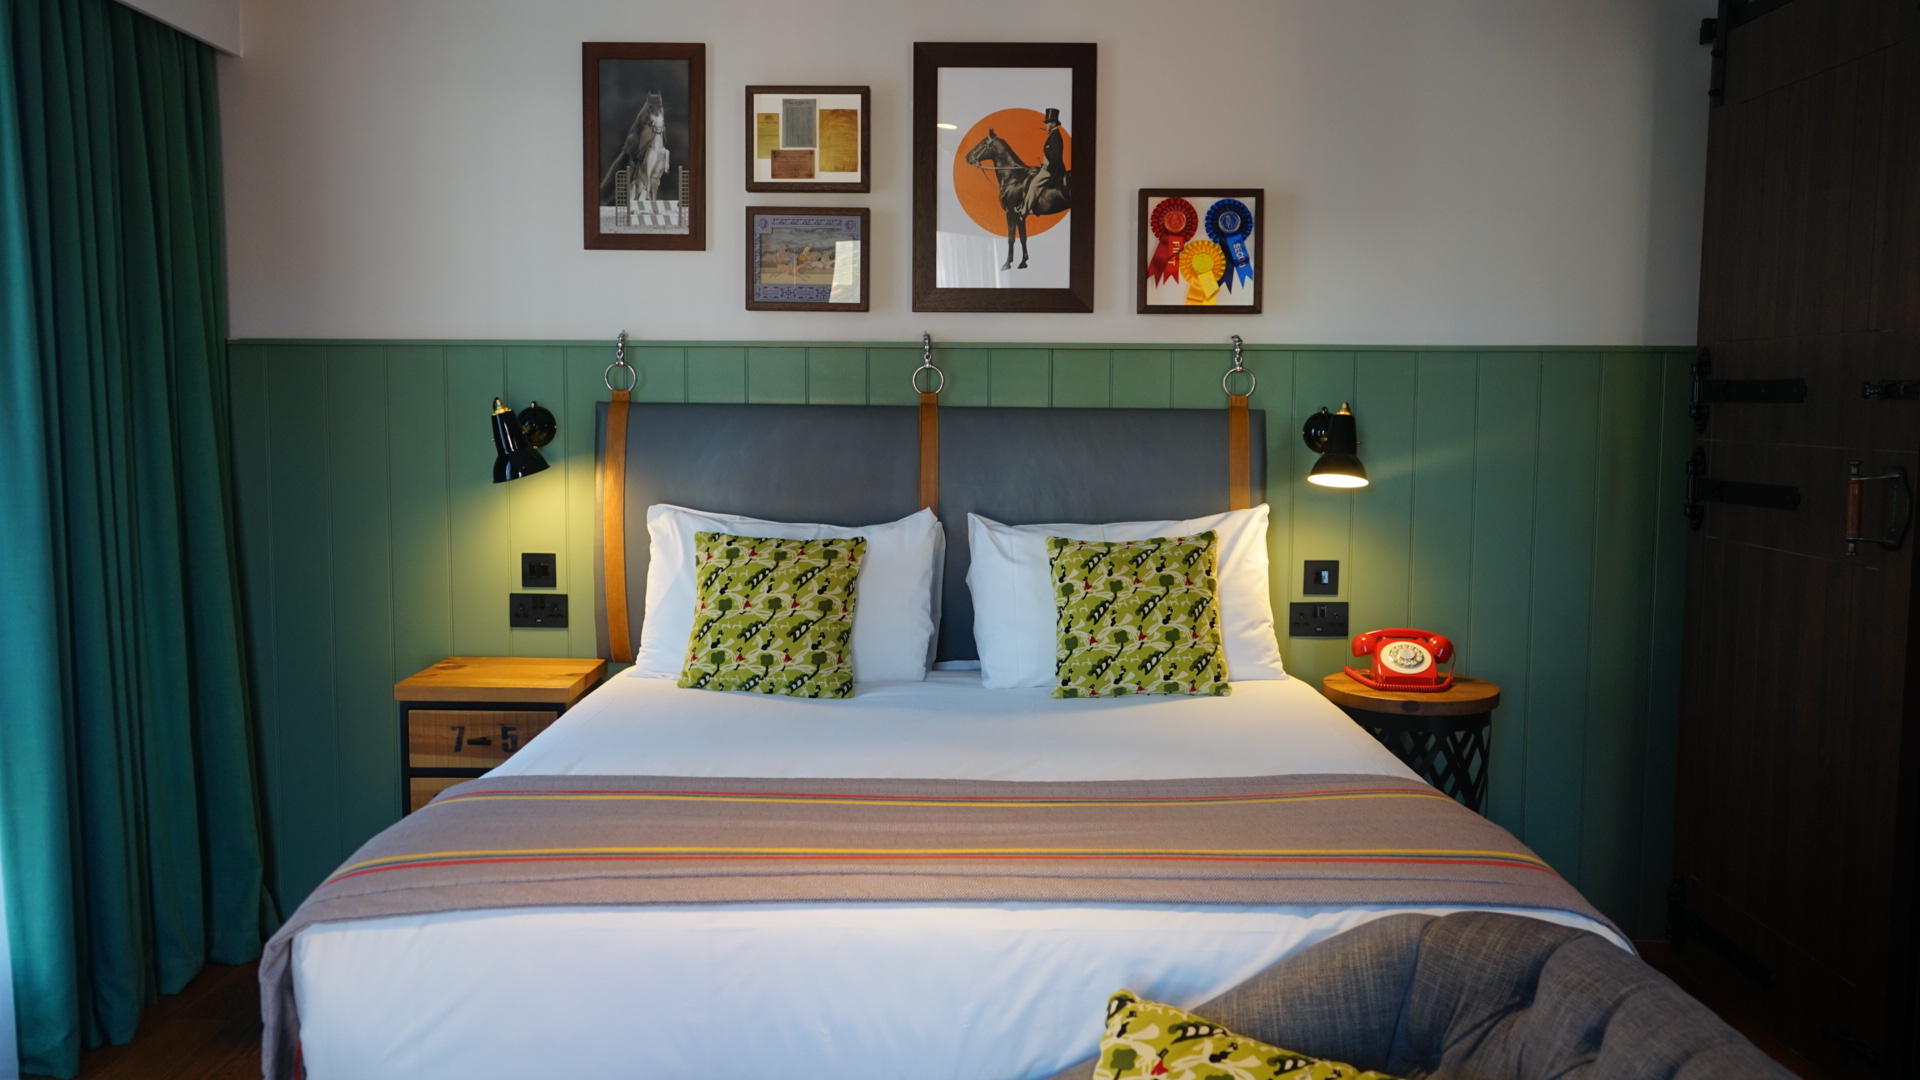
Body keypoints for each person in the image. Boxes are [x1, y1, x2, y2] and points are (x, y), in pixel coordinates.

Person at [1018, 108, 1064, 219]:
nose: (1045, 125)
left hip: (1051, 169)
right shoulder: (1052, 135)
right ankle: (1024, 205)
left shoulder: (1055, 136)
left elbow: (1056, 157)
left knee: (1034, 185)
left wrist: (1047, 168)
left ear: (1053, 124)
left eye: (1047, 123)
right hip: (1046, 167)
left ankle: (1025, 211)